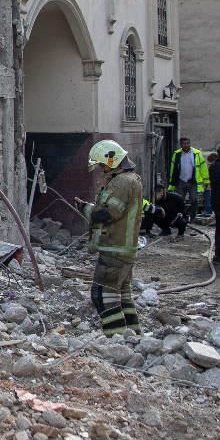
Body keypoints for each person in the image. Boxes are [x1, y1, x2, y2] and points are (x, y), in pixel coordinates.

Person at [85, 140, 143, 335]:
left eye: (102, 164)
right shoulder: (132, 179)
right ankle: (134, 337)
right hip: (124, 248)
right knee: (123, 294)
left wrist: (86, 209)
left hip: (115, 247)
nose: (101, 169)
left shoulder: (121, 182)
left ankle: (116, 338)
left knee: (102, 294)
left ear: (111, 160)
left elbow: (108, 213)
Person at [168, 137, 208, 220]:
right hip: (181, 181)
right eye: (183, 143)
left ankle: (192, 216)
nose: (185, 145)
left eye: (187, 143)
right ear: (181, 144)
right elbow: (173, 168)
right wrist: (172, 181)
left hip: (192, 181)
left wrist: (206, 180)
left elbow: (203, 167)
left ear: (190, 143)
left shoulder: (196, 153)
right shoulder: (177, 154)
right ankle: (181, 216)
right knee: (179, 200)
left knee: (194, 199)